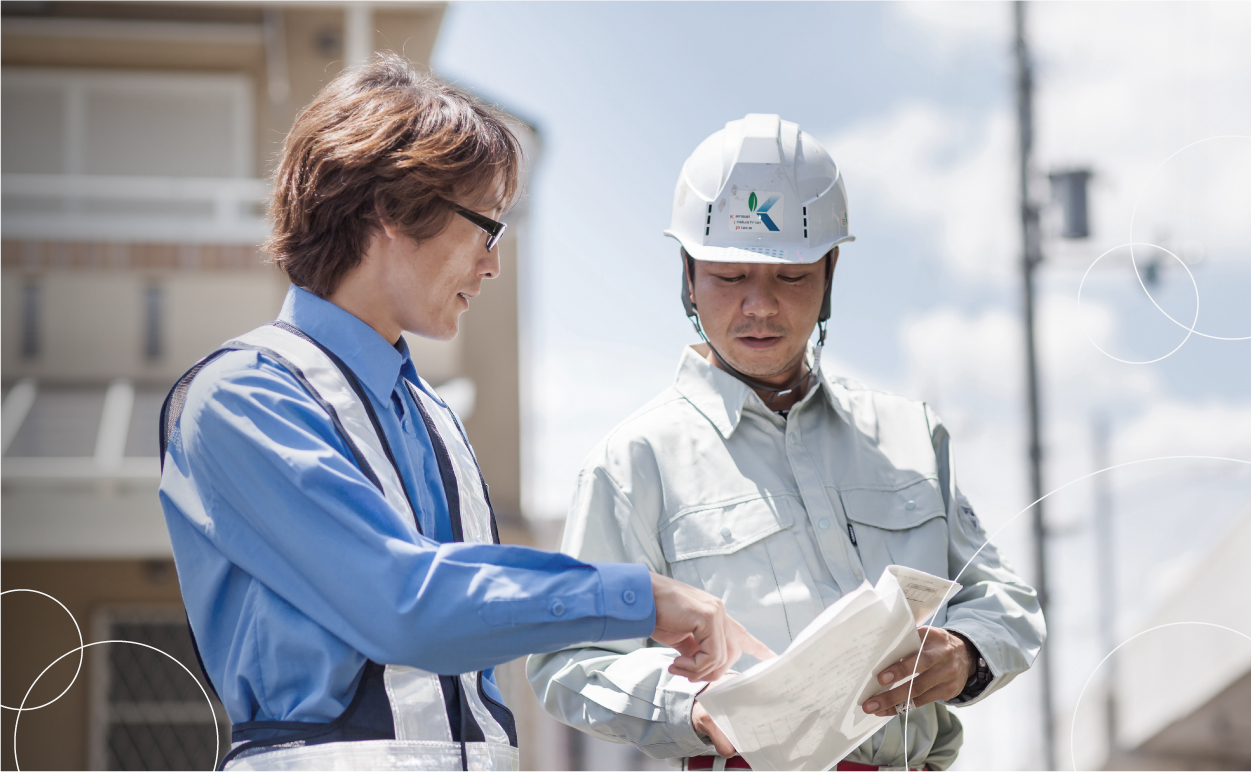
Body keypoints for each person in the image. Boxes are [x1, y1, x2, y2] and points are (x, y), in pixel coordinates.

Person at [157, 55, 768, 772]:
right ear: (390, 207)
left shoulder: (431, 415)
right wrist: (640, 597)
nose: (493, 265)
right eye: (486, 228)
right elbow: (404, 603)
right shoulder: (243, 397)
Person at [527, 114, 1046, 770]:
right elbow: (567, 663)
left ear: (830, 272)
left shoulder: (909, 435)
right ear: (687, 276)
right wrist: (690, 708)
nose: (760, 306)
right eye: (728, 276)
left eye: (790, 278)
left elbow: (1005, 601)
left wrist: (966, 653)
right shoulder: (634, 462)